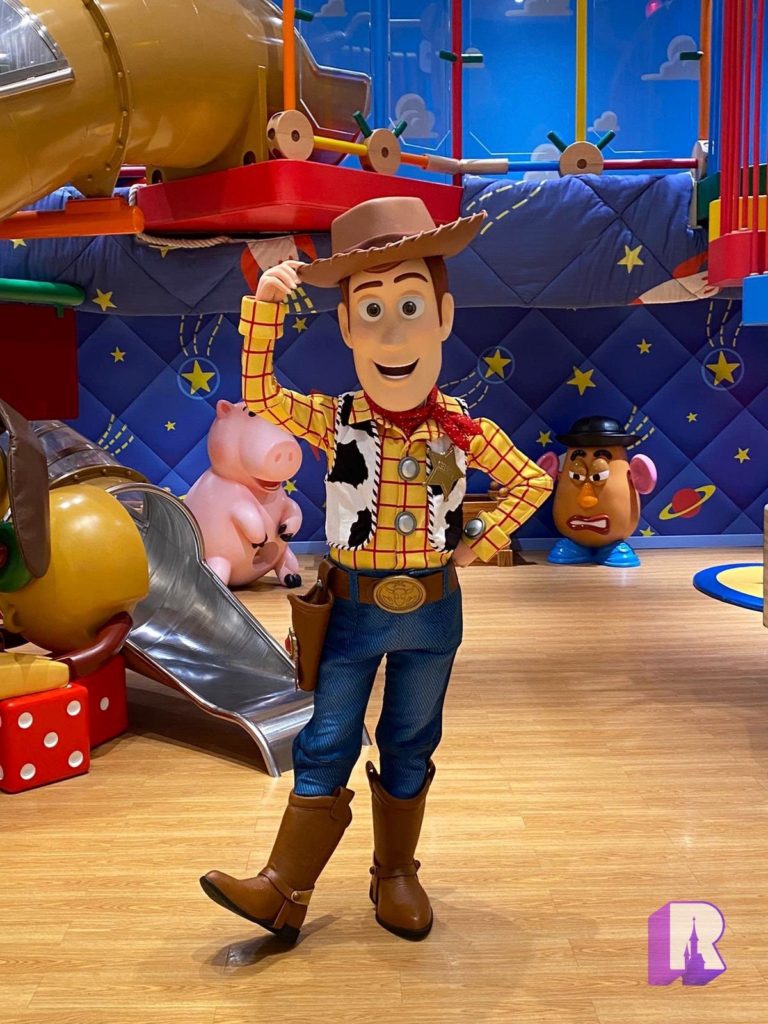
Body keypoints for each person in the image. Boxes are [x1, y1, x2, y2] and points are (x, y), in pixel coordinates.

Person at [200, 196, 553, 944]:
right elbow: (259, 396)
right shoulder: (335, 420)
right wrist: (265, 310)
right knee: (327, 736)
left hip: (433, 609)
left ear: (443, 317)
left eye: (410, 305)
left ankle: (395, 873)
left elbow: (531, 482)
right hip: (352, 608)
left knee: (411, 739)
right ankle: (283, 888)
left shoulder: (464, 429)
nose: (392, 332)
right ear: (347, 327)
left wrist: (476, 541)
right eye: (371, 310)